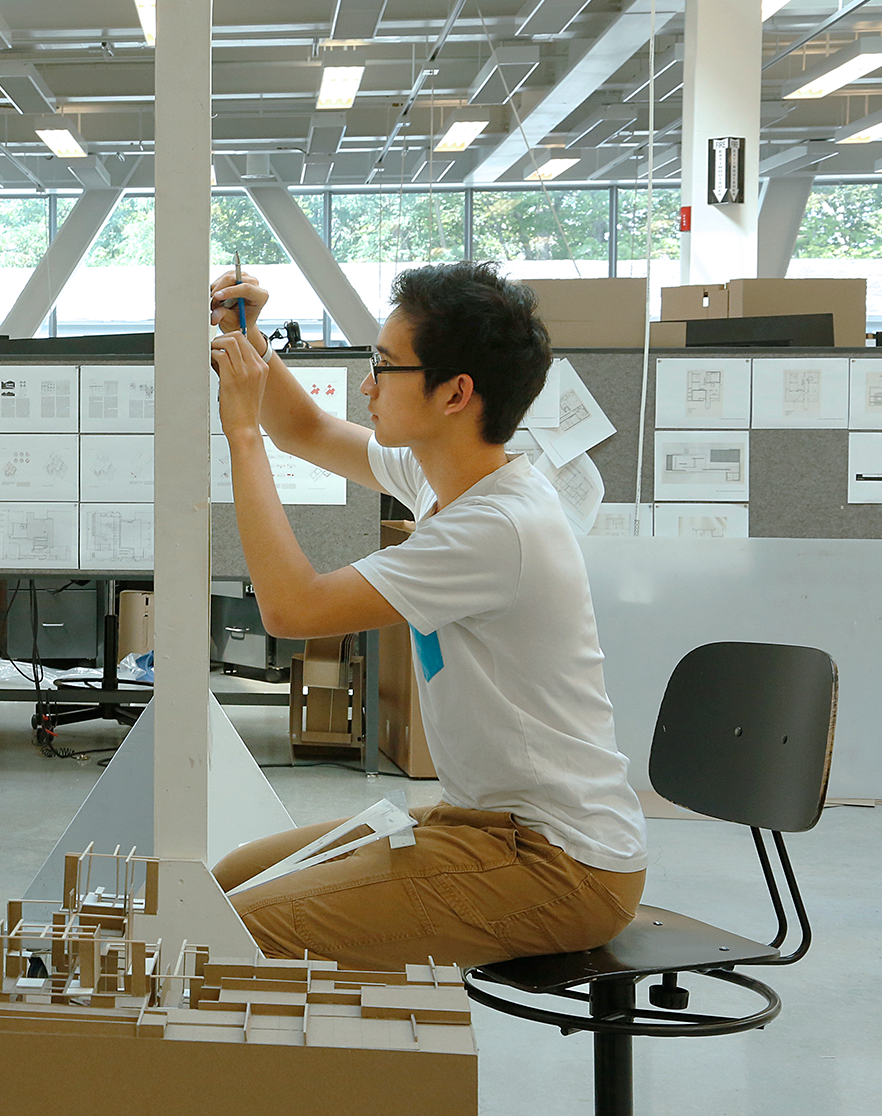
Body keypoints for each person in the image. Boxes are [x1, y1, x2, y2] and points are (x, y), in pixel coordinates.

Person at [205, 260, 646, 972]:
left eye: (384, 366)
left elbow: (291, 609)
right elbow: (308, 430)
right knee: (223, 881)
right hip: (482, 825)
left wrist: (240, 436)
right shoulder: (450, 477)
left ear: (455, 394)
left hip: (557, 863)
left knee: (230, 931)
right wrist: (248, 337)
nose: (366, 384)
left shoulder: (496, 527)